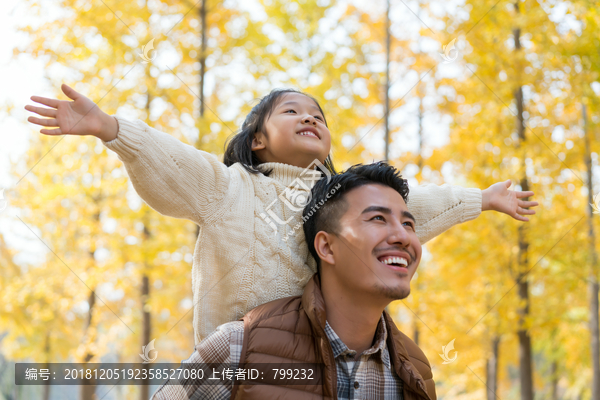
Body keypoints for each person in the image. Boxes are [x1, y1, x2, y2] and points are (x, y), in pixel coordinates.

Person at [25, 85, 538, 345]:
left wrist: (481, 199)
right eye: (291, 111)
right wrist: (112, 129)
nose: (310, 117)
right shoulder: (227, 187)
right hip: (236, 363)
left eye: (318, 114)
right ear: (257, 139)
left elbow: (409, 210)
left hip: (321, 363)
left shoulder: (340, 199)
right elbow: (173, 161)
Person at [151, 162, 438, 400]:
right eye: (377, 218)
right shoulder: (241, 347)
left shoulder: (417, 369)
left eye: (408, 224)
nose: (403, 236)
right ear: (326, 247)